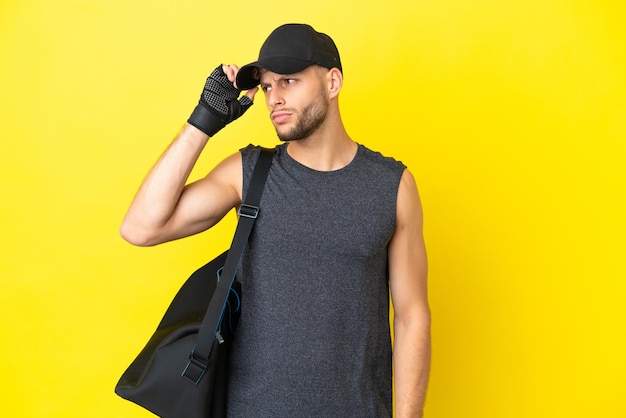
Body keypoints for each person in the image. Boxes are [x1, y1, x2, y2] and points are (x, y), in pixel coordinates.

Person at [120, 23, 430, 417]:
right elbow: (140, 227)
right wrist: (203, 121)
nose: (274, 99)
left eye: (289, 81)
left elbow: (411, 316)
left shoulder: (393, 186)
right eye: (267, 87)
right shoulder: (248, 173)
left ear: (332, 82)